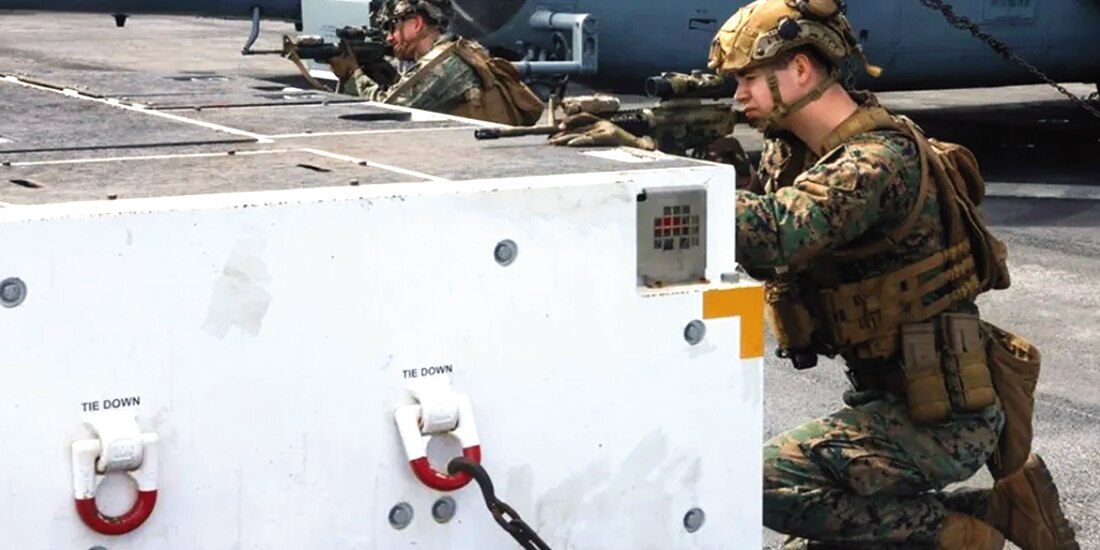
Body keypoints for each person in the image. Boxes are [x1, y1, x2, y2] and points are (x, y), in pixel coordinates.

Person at [552, 0, 1079, 548]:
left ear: (801, 69)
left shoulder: (876, 161)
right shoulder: (801, 152)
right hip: (892, 400)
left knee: (755, 482)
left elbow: (777, 232)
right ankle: (997, 508)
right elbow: (761, 242)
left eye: (749, 79)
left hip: (942, 421)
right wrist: (685, 153)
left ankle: (956, 534)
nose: (738, 96)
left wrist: (654, 168)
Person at [326, 0, 544, 126]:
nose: (390, 38)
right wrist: (378, 70)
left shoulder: (443, 62)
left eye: (392, 27)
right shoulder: (460, 49)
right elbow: (414, 92)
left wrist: (352, 74)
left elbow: (388, 110)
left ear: (417, 24)